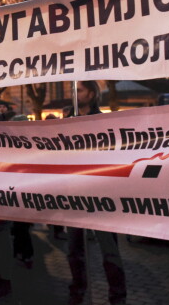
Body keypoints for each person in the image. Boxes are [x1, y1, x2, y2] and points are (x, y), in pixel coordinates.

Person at [66, 81, 127, 305]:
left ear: (91, 94)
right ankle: (77, 290)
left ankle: (118, 296)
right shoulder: (67, 121)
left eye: (79, 90)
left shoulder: (103, 121)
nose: (74, 93)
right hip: (73, 195)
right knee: (74, 251)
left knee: (110, 252)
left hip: (102, 196)